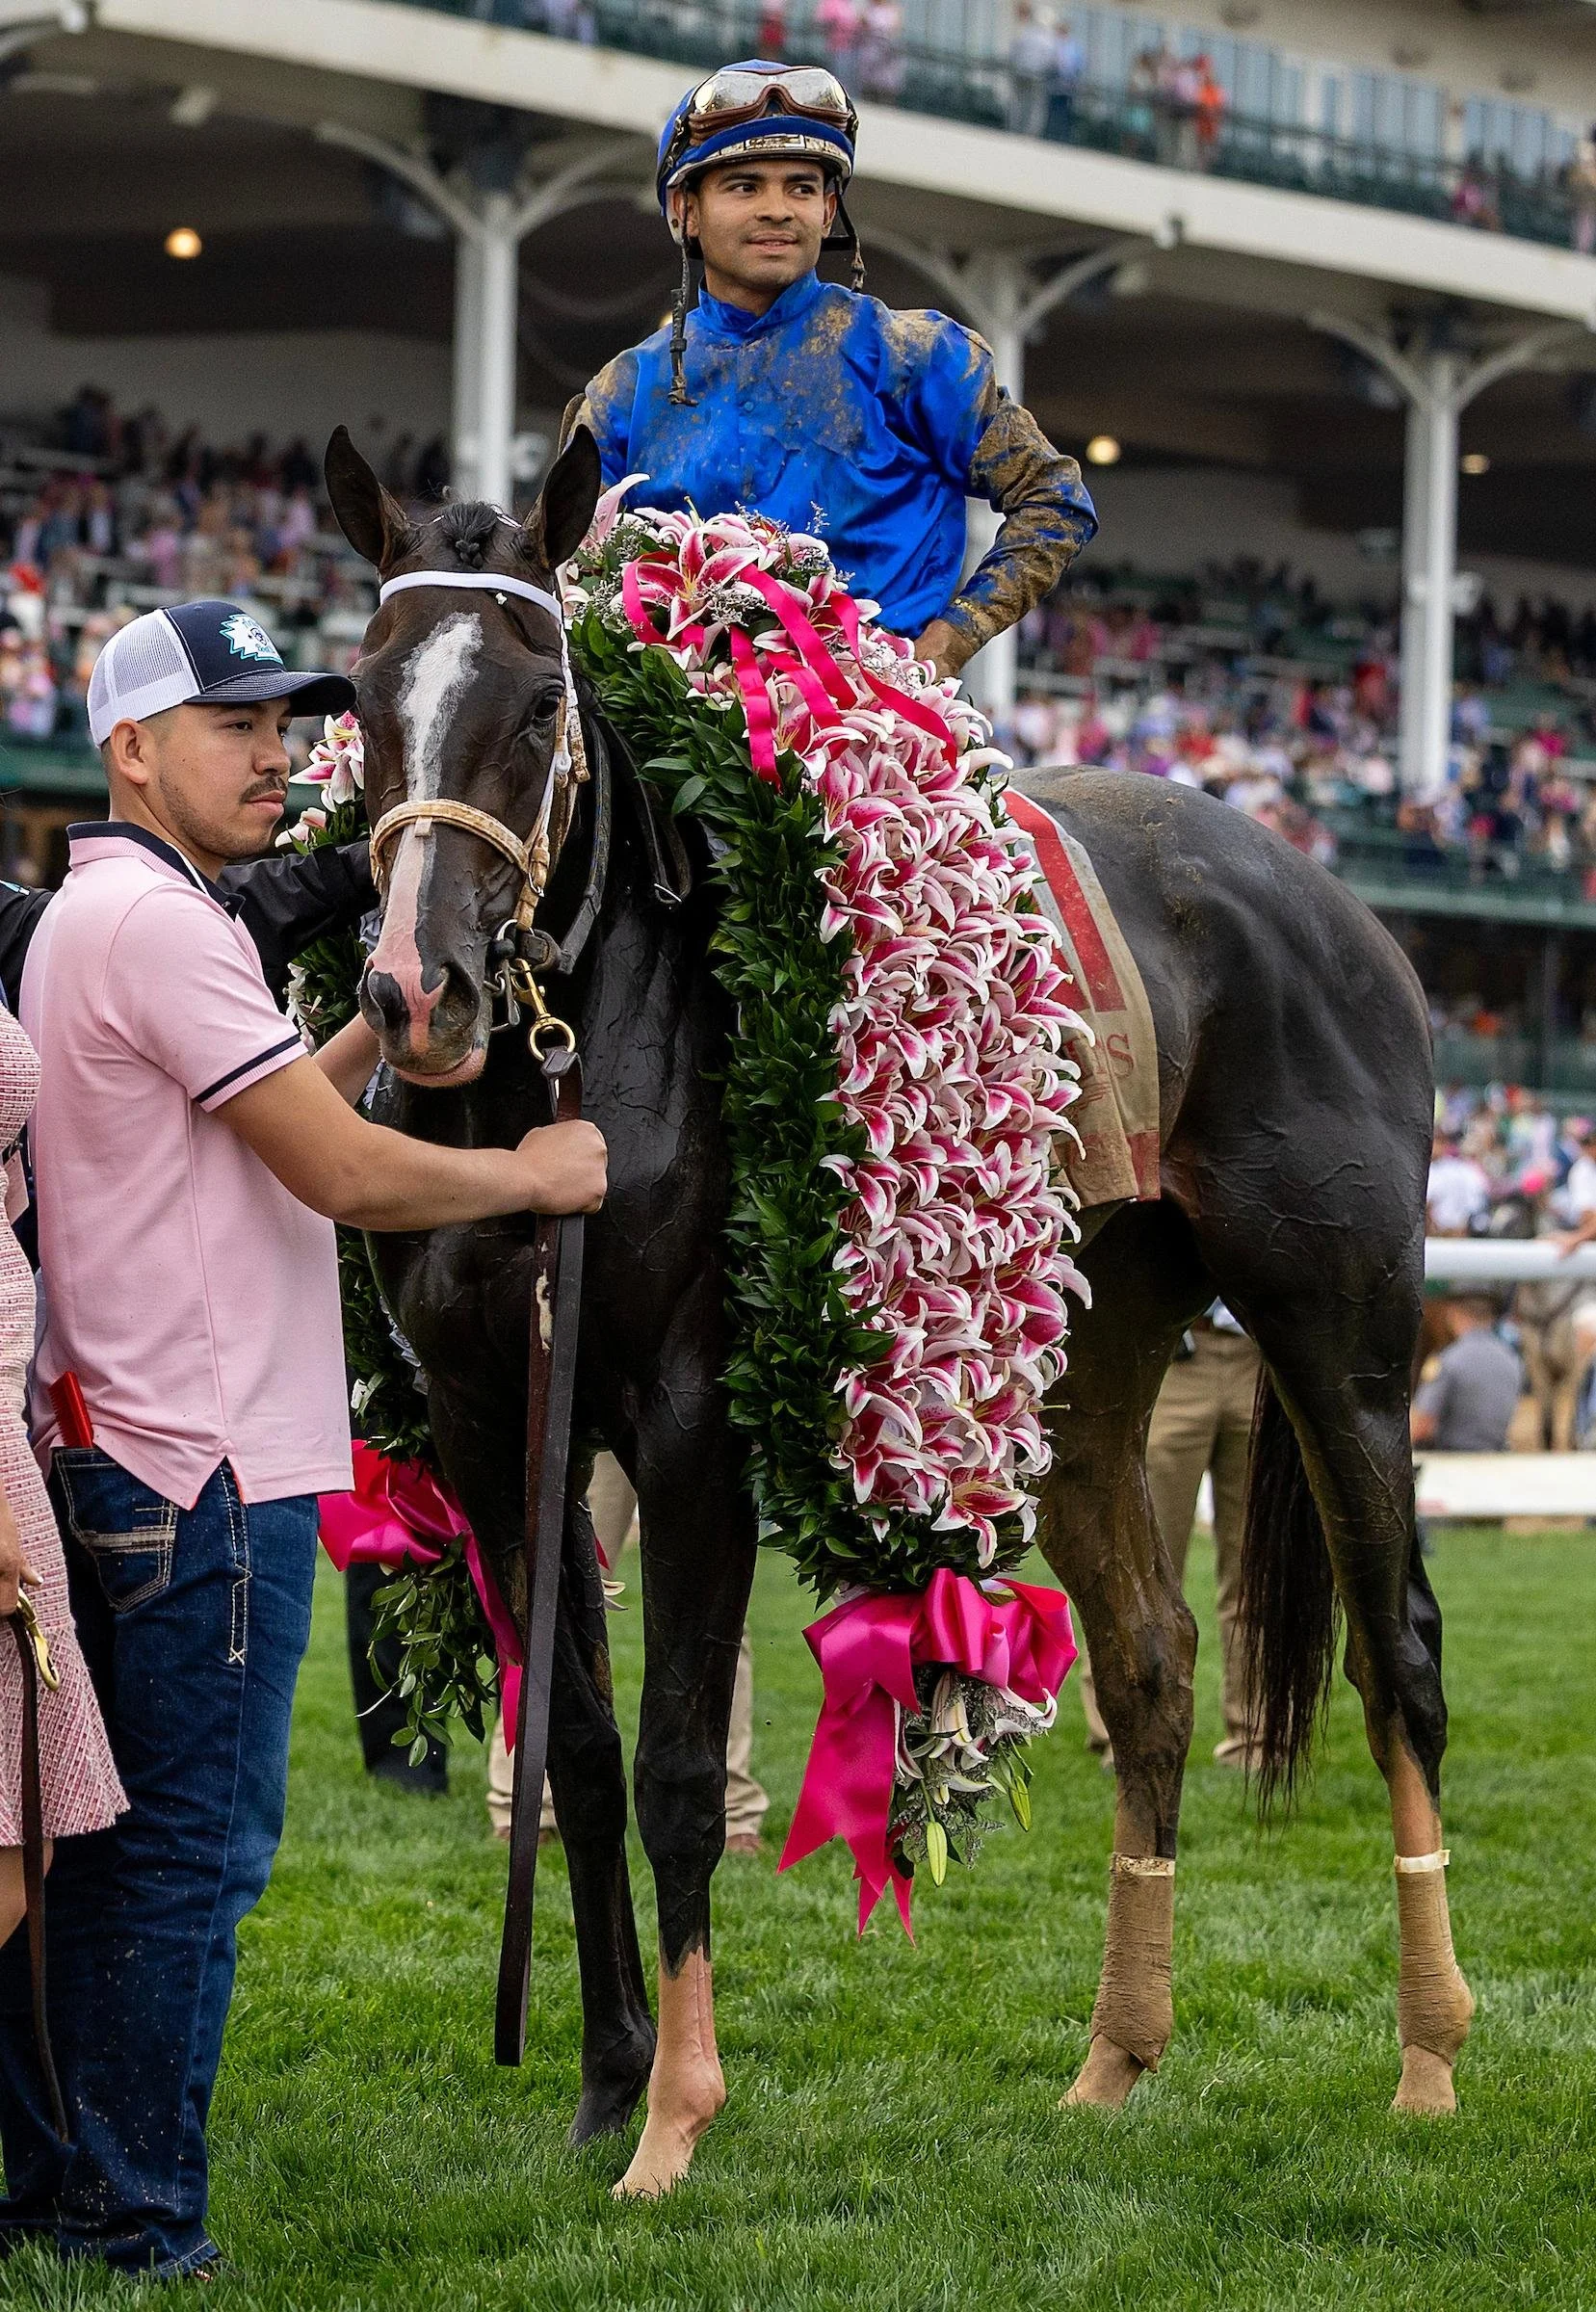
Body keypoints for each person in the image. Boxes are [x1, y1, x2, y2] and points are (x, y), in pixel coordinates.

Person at [0, 599, 607, 2278]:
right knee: (189, 1865)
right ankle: (138, 2225)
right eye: (233, 727)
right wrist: (530, 1178)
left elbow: (255, 1132)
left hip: (129, 1445)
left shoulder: (103, 914)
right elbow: (334, 1178)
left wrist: (365, 1035)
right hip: (203, 1468)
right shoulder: (171, 932)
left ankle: (60, 2188)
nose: (276, 758)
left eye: (285, 723)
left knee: (106, 1852)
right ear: (132, 748)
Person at [572, 58, 1098, 688]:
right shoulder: (621, 391)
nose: (777, 210)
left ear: (827, 211)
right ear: (683, 210)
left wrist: (954, 637)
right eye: (744, 187)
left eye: (800, 187)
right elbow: (568, 563)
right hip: (665, 733)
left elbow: (1053, 498)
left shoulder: (917, 354)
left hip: (880, 728)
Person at [1078, 1304, 1260, 1769]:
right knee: (1139, 1563)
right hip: (1173, 1352)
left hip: (1262, 1356)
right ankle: (1123, 1732)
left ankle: (1256, 1737)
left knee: (1257, 1569)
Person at [1411, 1297, 1522, 1453]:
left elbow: (1423, 1425)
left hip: (1449, 1458)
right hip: (1495, 1457)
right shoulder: (1512, 1359)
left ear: (1456, 1315)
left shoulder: (1448, 1359)